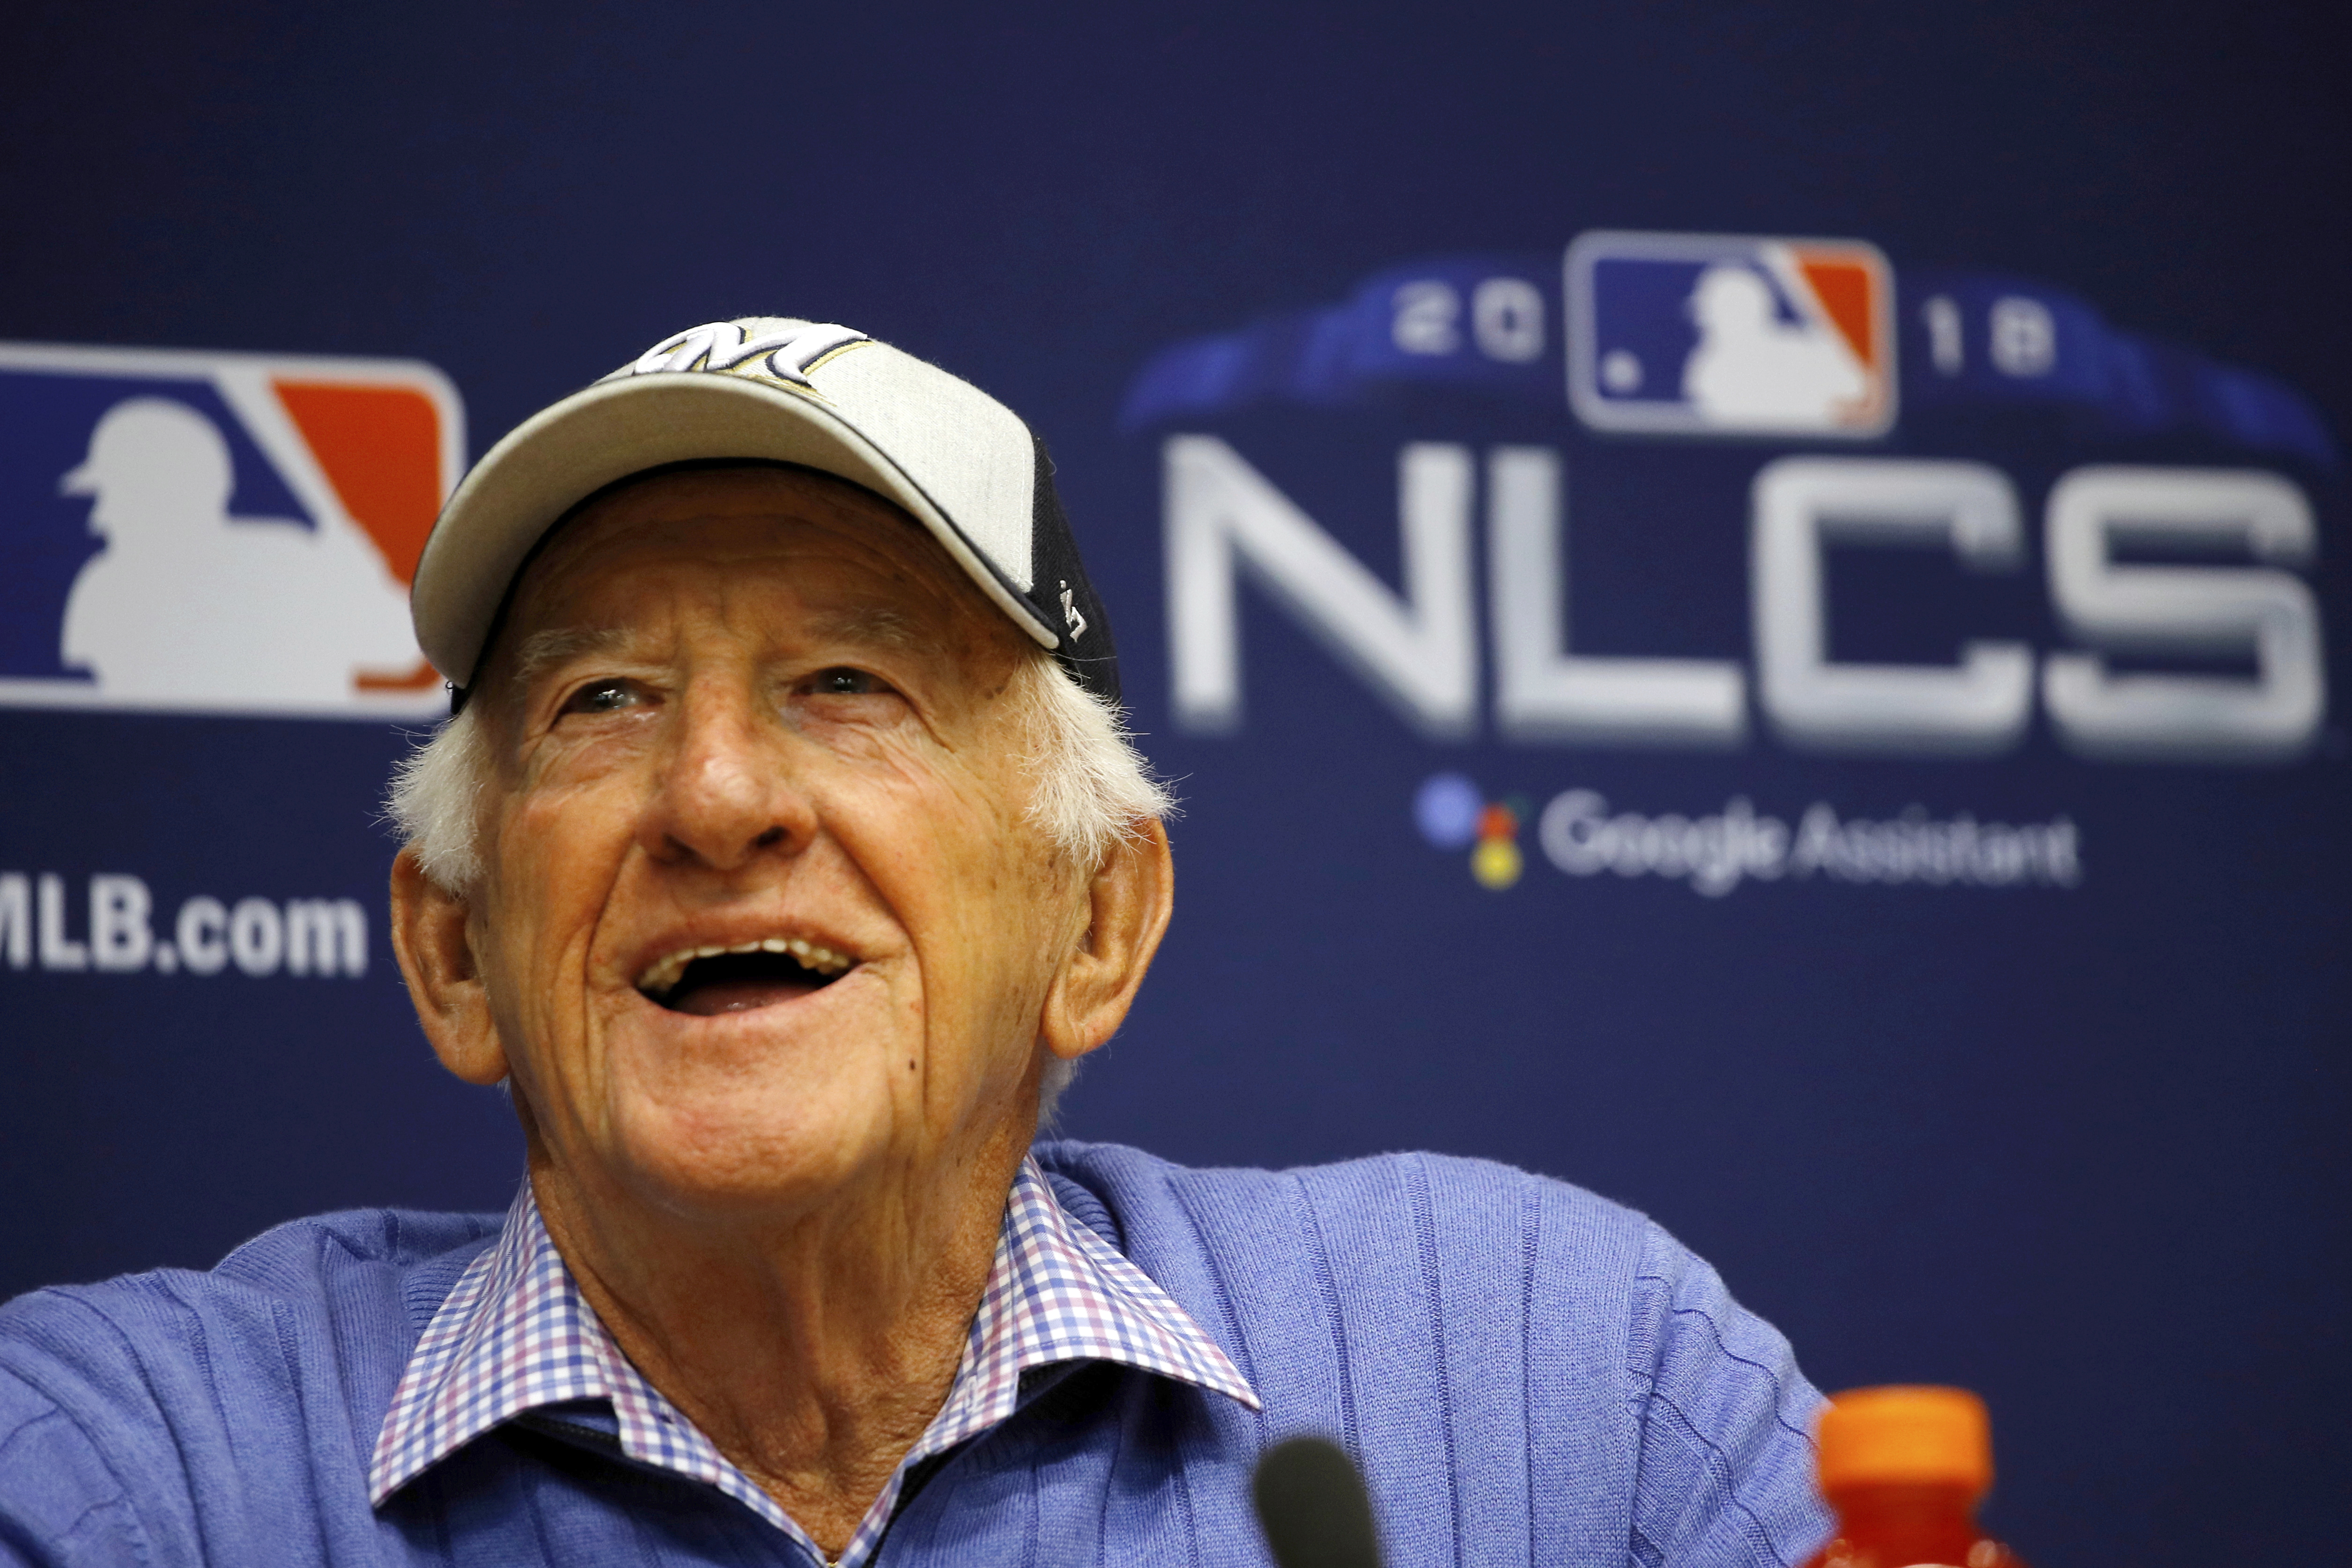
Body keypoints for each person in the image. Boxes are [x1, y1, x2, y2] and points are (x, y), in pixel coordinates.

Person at [0, 318, 1833, 1568]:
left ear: (1096, 921)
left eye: (847, 685)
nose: (715, 796)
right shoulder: (128, 1469)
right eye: (605, 698)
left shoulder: (1558, 1383)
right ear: (455, 955)